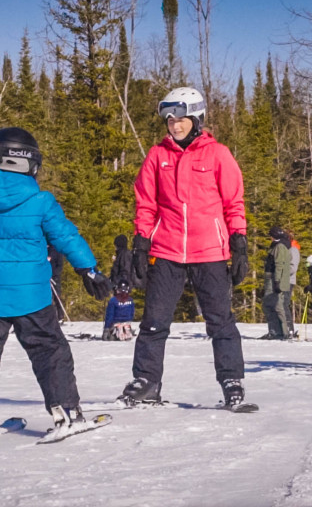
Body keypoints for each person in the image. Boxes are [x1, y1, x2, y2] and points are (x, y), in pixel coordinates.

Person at [0, 127, 111, 434]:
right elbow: (66, 236)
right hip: (32, 299)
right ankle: (66, 411)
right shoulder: (40, 201)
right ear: (30, 163)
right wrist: (88, 269)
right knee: (50, 351)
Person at [119, 86, 250, 409]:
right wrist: (140, 243)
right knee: (154, 320)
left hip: (210, 252)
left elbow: (234, 202)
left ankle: (231, 380)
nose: (174, 125)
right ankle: (147, 380)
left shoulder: (218, 154)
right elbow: (145, 204)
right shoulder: (156, 156)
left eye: (180, 119)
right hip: (167, 251)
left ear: (196, 119)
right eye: (169, 119)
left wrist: (239, 242)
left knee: (220, 321)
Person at [260, 226, 292, 340]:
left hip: (274, 279)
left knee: (276, 305)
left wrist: (277, 281)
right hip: (272, 278)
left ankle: (282, 332)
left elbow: (279, 265)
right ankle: (275, 331)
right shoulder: (278, 245)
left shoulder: (279, 247)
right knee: (269, 305)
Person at [286, 232, 301, 338]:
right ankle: (286, 328)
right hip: (284, 280)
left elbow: (292, 267)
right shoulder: (288, 248)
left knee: (284, 304)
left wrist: (281, 273)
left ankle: (289, 329)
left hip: (288, 280)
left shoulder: (293, 249)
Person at [47, 244, 65, 322]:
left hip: (55, 278)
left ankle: (60, 316)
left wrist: (54, 275)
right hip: (44, 278)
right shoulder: (42, 250)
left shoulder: (56, 251)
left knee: (57, 296)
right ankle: (49, 317)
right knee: (47, 298)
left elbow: (60, 266)